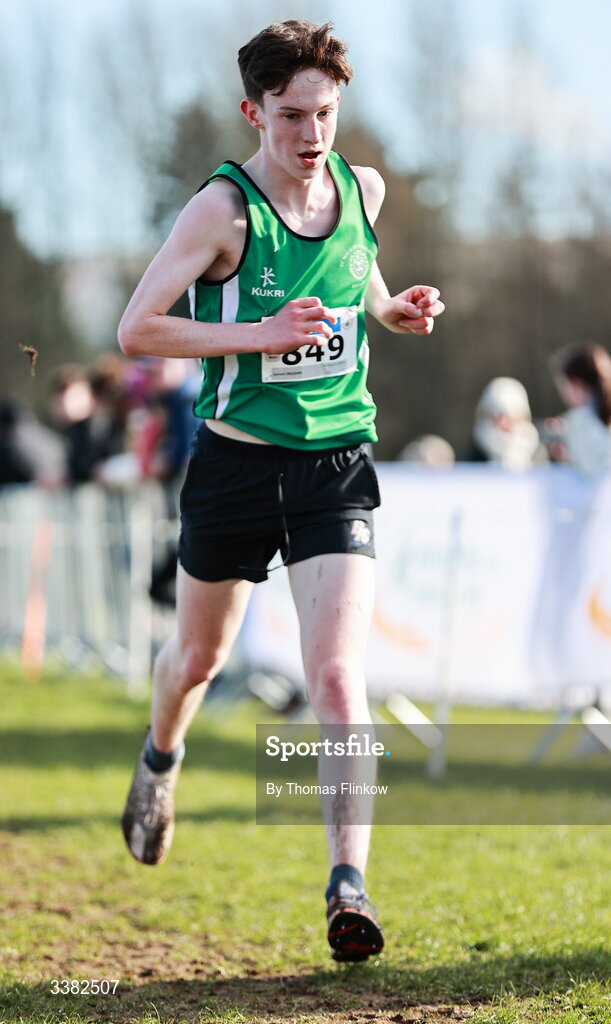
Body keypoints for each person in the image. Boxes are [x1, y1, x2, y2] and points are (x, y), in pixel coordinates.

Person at [117, 19, 444, 962]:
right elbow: (139, 329)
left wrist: (389, 309)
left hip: (335, 459)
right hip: (233, 463)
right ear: (253, 112)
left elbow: (354, 281)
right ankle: (160, 757)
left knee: (337, 675)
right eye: (292, 116)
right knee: (195, 661)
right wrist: (261, 335)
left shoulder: (361, 187)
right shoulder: (218, 212)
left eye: (327, 114)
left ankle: (350, 882)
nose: (312, 135)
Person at [552, 342, 611, 475]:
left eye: (564, 384)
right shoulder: (583, 421)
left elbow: (591, 473)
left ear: (576, 385)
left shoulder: (579, 422)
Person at [466, 376, 546, 470]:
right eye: (497, 417)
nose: (503, 423)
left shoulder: (538, 453)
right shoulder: (474, 455)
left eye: (510, 417)